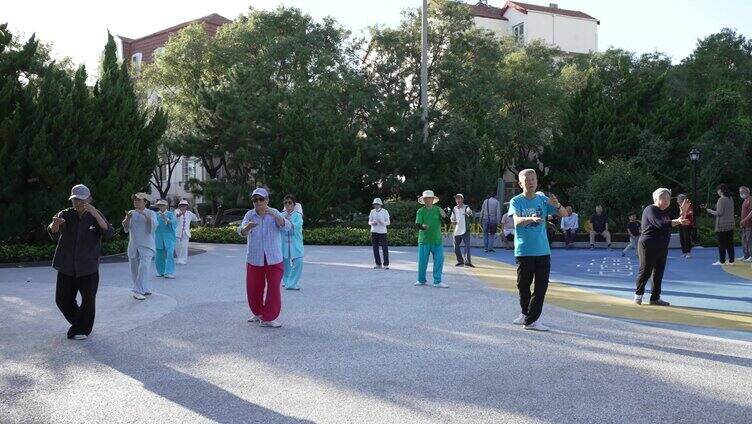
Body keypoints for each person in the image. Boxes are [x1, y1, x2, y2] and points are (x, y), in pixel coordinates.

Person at [48, 184, 114, 340]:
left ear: (89, 199)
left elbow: (108, 232)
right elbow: (53, 231)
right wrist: (55, 224)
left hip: (88, 266)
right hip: (66, 265)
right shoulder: (65, 214)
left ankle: (82, 329)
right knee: (62, 300)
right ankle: (80, 322)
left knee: (88, 300)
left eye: (81, 199)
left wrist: (96, 214)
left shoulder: (95, 214)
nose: (77, 202)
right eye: (74, 199)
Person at [508, 169, 568, 331]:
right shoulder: (516, 201)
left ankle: (532, 320)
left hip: (543, 250)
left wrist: (557, 205)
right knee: (523, 285)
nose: (531, 182)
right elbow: (516, 221)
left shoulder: (542, 199)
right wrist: (531, 219)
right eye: (527, 180)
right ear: (521, 184)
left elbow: (564, 214)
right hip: (524, 250)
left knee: (541, 287)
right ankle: (525, 313)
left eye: (533, 179)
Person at [238, 188, 291, 327]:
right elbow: (241, 230)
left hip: (274, 258)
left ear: (267, 200)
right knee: (254, 288)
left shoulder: (274, 213)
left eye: (261, 199)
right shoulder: (249, 215)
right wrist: (247, 228)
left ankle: (269, 317)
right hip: (255, 258)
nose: (258, 202)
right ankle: (258, 313)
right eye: (255, 200)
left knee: (274, 287)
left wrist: (276, 215)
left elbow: (287, 227)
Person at [634, 188, 690, 306]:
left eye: (668, 199)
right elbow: (660, 223)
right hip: (648, 245)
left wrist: (683, 212)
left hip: (662, 247)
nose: (666, 201)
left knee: (658, 273)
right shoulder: (650, 209)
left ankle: (655, 298)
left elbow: (678, 221)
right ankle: (638, 295)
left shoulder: (666, 212)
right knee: (645, 271)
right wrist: (678, 221)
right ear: (655, 199)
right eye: (663, 198)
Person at [123, 193, 158, 300]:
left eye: (139, 200)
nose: (136, 201)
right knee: (134, 268)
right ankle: (144, 288)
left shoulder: (151, 212)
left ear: (145, 202)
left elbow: (154, 226)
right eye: (135, 200)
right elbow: (125, 227)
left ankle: (138, 290)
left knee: (144, 268)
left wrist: (145, 215)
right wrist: (128, 218)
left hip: (147, 245)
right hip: (134, 244)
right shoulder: (131, 212)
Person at [415, 190, 448, 288]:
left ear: (433, 199)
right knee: (422, 261)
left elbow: (447, 222)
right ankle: (421, 280)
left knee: (439, 260)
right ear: (423, 200)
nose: (427, 200)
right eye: (426, 198)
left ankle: (437, 281)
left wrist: (445, 216)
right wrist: (422, 226)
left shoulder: (438, 210)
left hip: (437, 240)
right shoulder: (420, 211)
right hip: (424, 240)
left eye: (429, 198)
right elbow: (417, 225)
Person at [706, 184, 736, 266]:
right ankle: (731, 261)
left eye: (718, 190)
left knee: (721, 244)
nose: (717, 192)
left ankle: (722, 261)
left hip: (722, 225)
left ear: (721, 190)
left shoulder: (721, 200)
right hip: (730, 224)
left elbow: (719, 213)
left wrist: (710, 211)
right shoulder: (730, 199)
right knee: (730, 243)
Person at [281, 194, 304, 290]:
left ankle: (292, 283)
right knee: (284, 263)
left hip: (295, 244)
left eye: (290, 202)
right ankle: (287, 282)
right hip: (283, 244)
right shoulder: (280, 215)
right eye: (285, 202)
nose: (287, 204)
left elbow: (297, 227)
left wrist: (287, 223)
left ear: (294, 204)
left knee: (299, 261)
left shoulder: (298, 216)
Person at [154, 199, 177, 279]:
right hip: (158, 237)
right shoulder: (155, 214)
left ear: (166, 206)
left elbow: (174, 223)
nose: (161, 206)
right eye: (159, 205)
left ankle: (169, 272)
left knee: (170, 253)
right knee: (159, 254)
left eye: (162, 205)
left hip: (169, 237)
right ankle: (161, 271)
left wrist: (167, 219)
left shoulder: (170, 214)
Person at [175, 199, 201, 265]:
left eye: (185, 205)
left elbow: (197, 218)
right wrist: (181, 213)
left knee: (184, 246)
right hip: (177, 233)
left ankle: (183, 260)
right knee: (177, 247)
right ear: (179, 206)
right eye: (182, 205)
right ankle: (179, 259)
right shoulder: (176, 211)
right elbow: (177, 215)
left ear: (187, 206)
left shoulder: (189, 213)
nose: (183, 207)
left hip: (186, 233)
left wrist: (195, 210)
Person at [451, 193, 474, 267]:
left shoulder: (466, 207)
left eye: (459, 198)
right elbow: (452, 218)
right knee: (456, 246)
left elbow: (469, 212)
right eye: (456, 198)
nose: (457, 200)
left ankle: (467, 262)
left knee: (467, 245)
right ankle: (460, 261)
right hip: (457, 229)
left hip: (465, 229)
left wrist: (468, 212)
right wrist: (453, 221)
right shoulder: (454, 208)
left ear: (462, 199)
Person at [368, 198, 391, 269]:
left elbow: (388, 222)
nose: (376, 205)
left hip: (382, 232)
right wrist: (372, 223)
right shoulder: (372, 211)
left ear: (380, 204)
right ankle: (378, 264)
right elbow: (369, 222)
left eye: (377, 204)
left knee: (385, 248)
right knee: (375, 248)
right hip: (374, 231)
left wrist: (382, 222)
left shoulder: (385, 211)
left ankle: (386, 264)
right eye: (375, 204)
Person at [676, 194, 695, 259]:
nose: (677, 201)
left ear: (682, 200)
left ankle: (688, 252)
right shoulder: (680, 205)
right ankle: (684, 252)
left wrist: (684, 212)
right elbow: (680, 214)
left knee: (687, 238)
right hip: (681, 223)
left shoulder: (688, 204)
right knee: (682, 238)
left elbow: (690, 213)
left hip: (687, 224)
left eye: (678, 199)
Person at [739, 186, 752, 262]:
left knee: (749, 240)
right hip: (744, 225)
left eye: (742, 191)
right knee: (744, 240)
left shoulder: (750, 199)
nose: (741, 193)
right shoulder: (744, 200)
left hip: (749, 225)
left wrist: (745, 220)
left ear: (747, 191)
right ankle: (746, 255)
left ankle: (751, 256)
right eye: (740, 192)